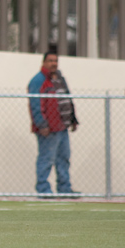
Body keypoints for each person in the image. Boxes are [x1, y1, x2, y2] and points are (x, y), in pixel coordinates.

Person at [28, 51, 80, 197]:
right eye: (50, 61)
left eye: (55, 61)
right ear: (44, 62)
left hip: (62, 126)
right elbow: (35, 104)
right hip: (48, 128)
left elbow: (67, 98)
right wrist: (41, 124)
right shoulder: (38, 80)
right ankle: (44, 190)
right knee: (46, 159)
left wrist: (72, 119)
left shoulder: (60, 79)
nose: (53, 63)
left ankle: (65, 189)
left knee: (63, 159)